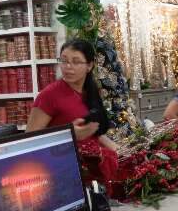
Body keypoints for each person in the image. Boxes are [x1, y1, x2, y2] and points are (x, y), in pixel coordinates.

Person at [27, 39, 118, 180]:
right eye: (63, 61)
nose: (68, 67)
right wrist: (67, 134)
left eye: (76, 62)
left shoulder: (90, 92)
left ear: (89, 66)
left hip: (93, 165)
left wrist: (114, 147)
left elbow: (91, 130)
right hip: (64, 170)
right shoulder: (49, 95)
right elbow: (30, 139)